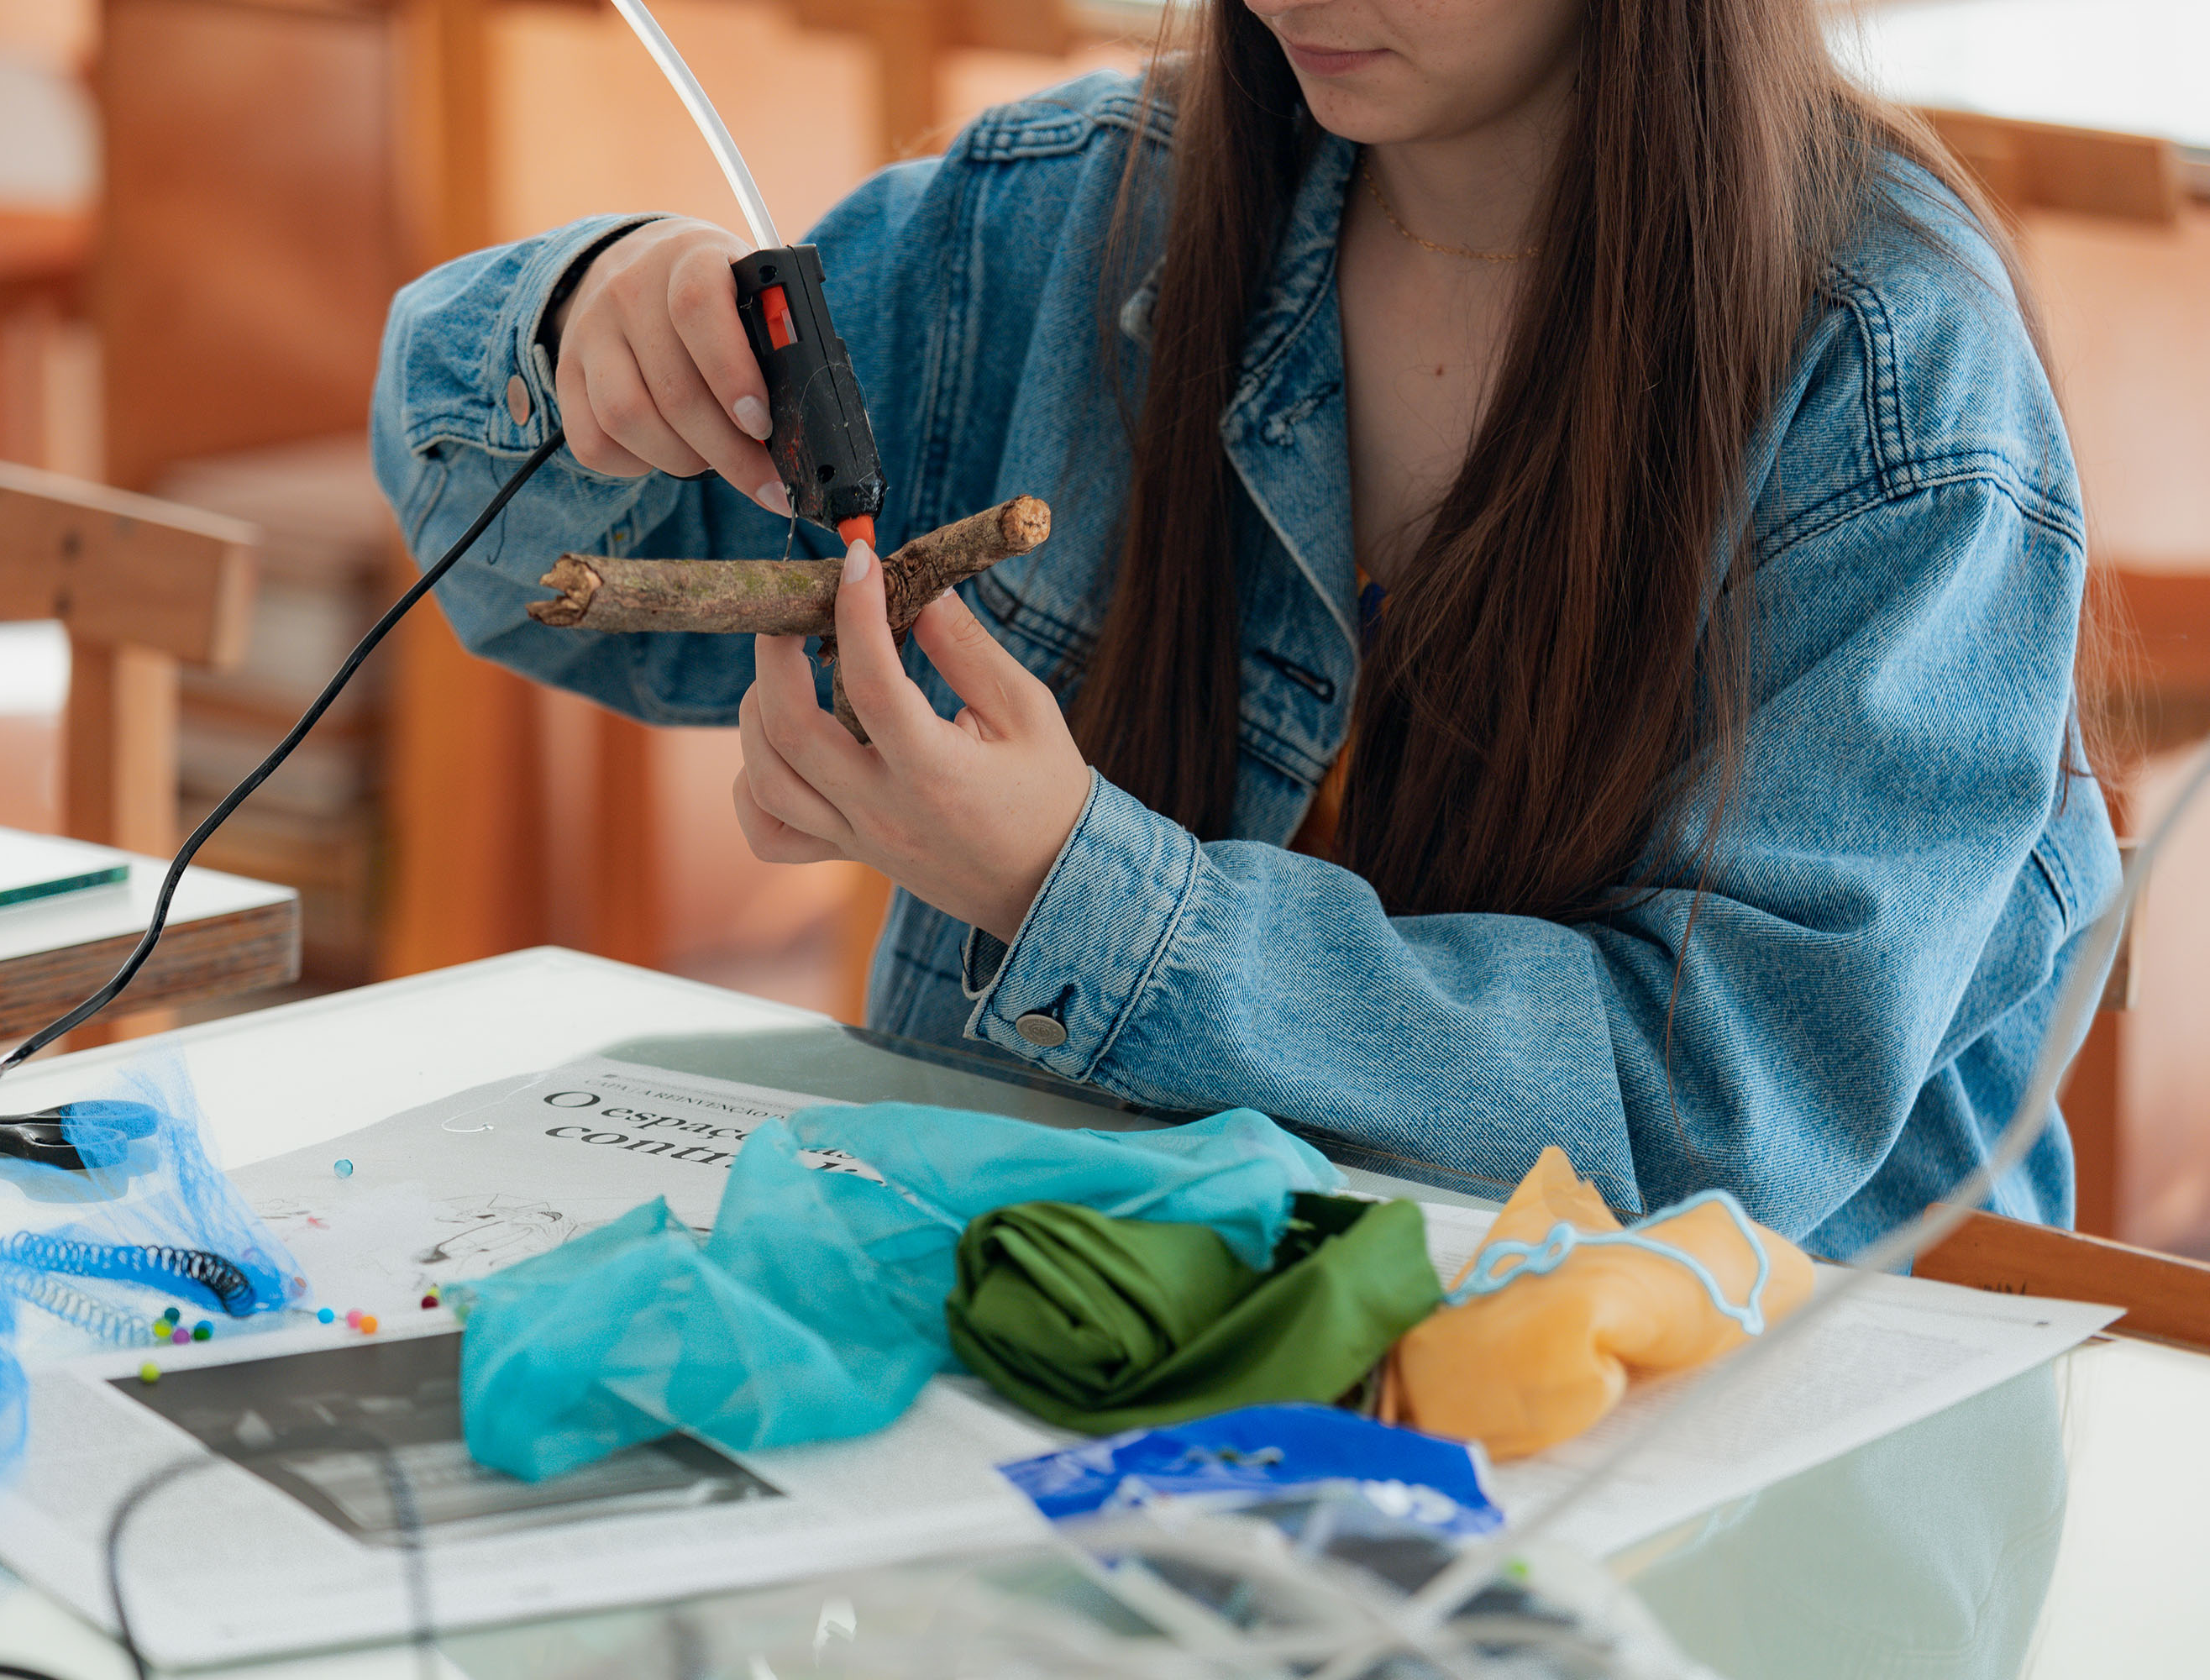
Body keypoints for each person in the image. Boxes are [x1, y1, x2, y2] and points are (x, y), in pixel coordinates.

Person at [370, 0, 2118, 1257]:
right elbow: (560, 583)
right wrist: (591, 318)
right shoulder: (1066, 214)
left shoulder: (1890, 385)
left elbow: (1710, 1115)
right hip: (1102, 1400)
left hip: (1705, 1466)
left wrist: (1075, 887)